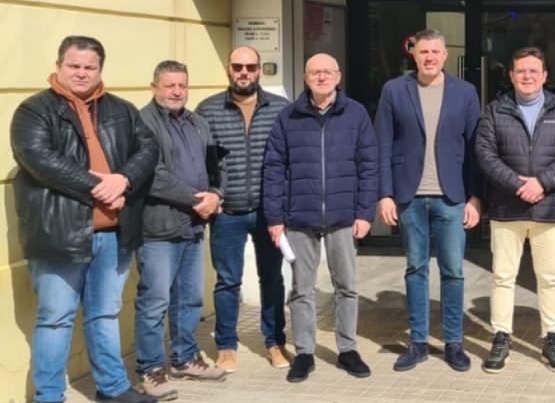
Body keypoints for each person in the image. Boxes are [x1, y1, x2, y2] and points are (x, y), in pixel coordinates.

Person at [11, 36, 160, 403]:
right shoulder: (34, 111)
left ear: (100, 70)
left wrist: (124, 179)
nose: (81, 73)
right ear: (59, 65)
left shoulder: (122, 111)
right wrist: (99, 185)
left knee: (105, 314)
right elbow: (39, 159)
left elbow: (149, 149)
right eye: (74, 65)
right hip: (60, 236)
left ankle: (111, 389)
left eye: (89, 67)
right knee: (55, 319)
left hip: (112, 234)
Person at [264, 53, 379, 383]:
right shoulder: (288, 117)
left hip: (344, 217)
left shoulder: (356, 114)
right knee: (301, 289)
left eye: (328, 72)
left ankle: (347, 349)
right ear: (305, 77)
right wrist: (275, 218)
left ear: (338, 77)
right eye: (315, 72)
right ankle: (304, 352)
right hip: (299, 217)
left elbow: (368, 166)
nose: (322, 77)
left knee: (347, 286)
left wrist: (364, 212)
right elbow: (274, 170)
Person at [376, 29, 483, 373]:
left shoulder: (465, 92)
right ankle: (418, 342)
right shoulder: (394, 90)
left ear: (445, 55)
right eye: (424, 52)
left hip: (452, 197)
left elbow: (474, 149)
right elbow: (382, 144)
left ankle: (454, 342)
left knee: (453, 272)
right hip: (409, 196)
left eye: (436, 51)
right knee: (416, 270)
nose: (430, 57)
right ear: (413, 54)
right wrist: (384, 194)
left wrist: (475, 197)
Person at [475, 47, 555, 373]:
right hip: (507, 209)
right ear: (511, 75)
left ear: (545, 76)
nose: (527, 76)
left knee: (551, 278)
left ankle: (552, 337)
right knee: (502, 277)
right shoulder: (495, 111)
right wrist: (515, 183)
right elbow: (484, 153)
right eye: (520, 71)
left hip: (548, 209)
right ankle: (501, 336)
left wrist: (542, 182)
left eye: (533, 71)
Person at [135, 61, 228, 401]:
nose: (176, 91)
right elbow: (153, 174)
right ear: (154, 86)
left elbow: (216, 165)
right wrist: (196, 199)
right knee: (155, 301)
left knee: (189, 298)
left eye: (182, 86)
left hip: (192, 226)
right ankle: (151, 369)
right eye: (169, 85)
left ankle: (186, 357)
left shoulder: (198, 123)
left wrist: (216, 195)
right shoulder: (143, 124)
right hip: (158, 228)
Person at [196, 47, 289, 372]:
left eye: (251, 66)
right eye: (238, 66)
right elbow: (200, 162)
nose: (244, 72)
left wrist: (283, 207)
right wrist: (211, 195)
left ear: (260, 70)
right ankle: (225, 345)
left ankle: (275, 342)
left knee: (272, 279)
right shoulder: (207, 110)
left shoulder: (280, 109)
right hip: (227, 213)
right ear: (228, 69)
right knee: (227, 281)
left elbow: (289, 160)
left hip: (269, 213)